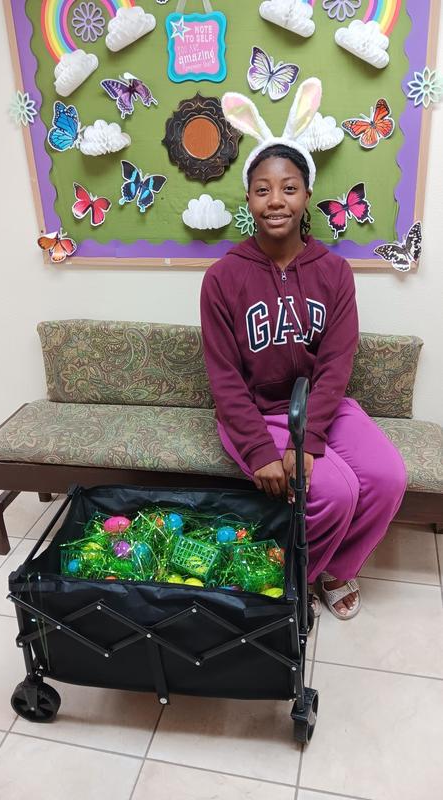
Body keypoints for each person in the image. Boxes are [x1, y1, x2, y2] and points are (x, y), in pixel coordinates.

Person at [200, 81, 407, 619]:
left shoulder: (334, 273)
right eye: (263, 189)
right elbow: (224, 378)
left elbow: (337, 363)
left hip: (319, 407)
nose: (276, 200)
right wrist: (261, 451)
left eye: (288, 188)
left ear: (306, 194)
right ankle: (290, 589)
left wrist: (308, 440)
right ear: (248, 198)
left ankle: (330, 570)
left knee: (388, 477)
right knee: (333, 493)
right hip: (255, 412)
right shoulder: (222, 278)